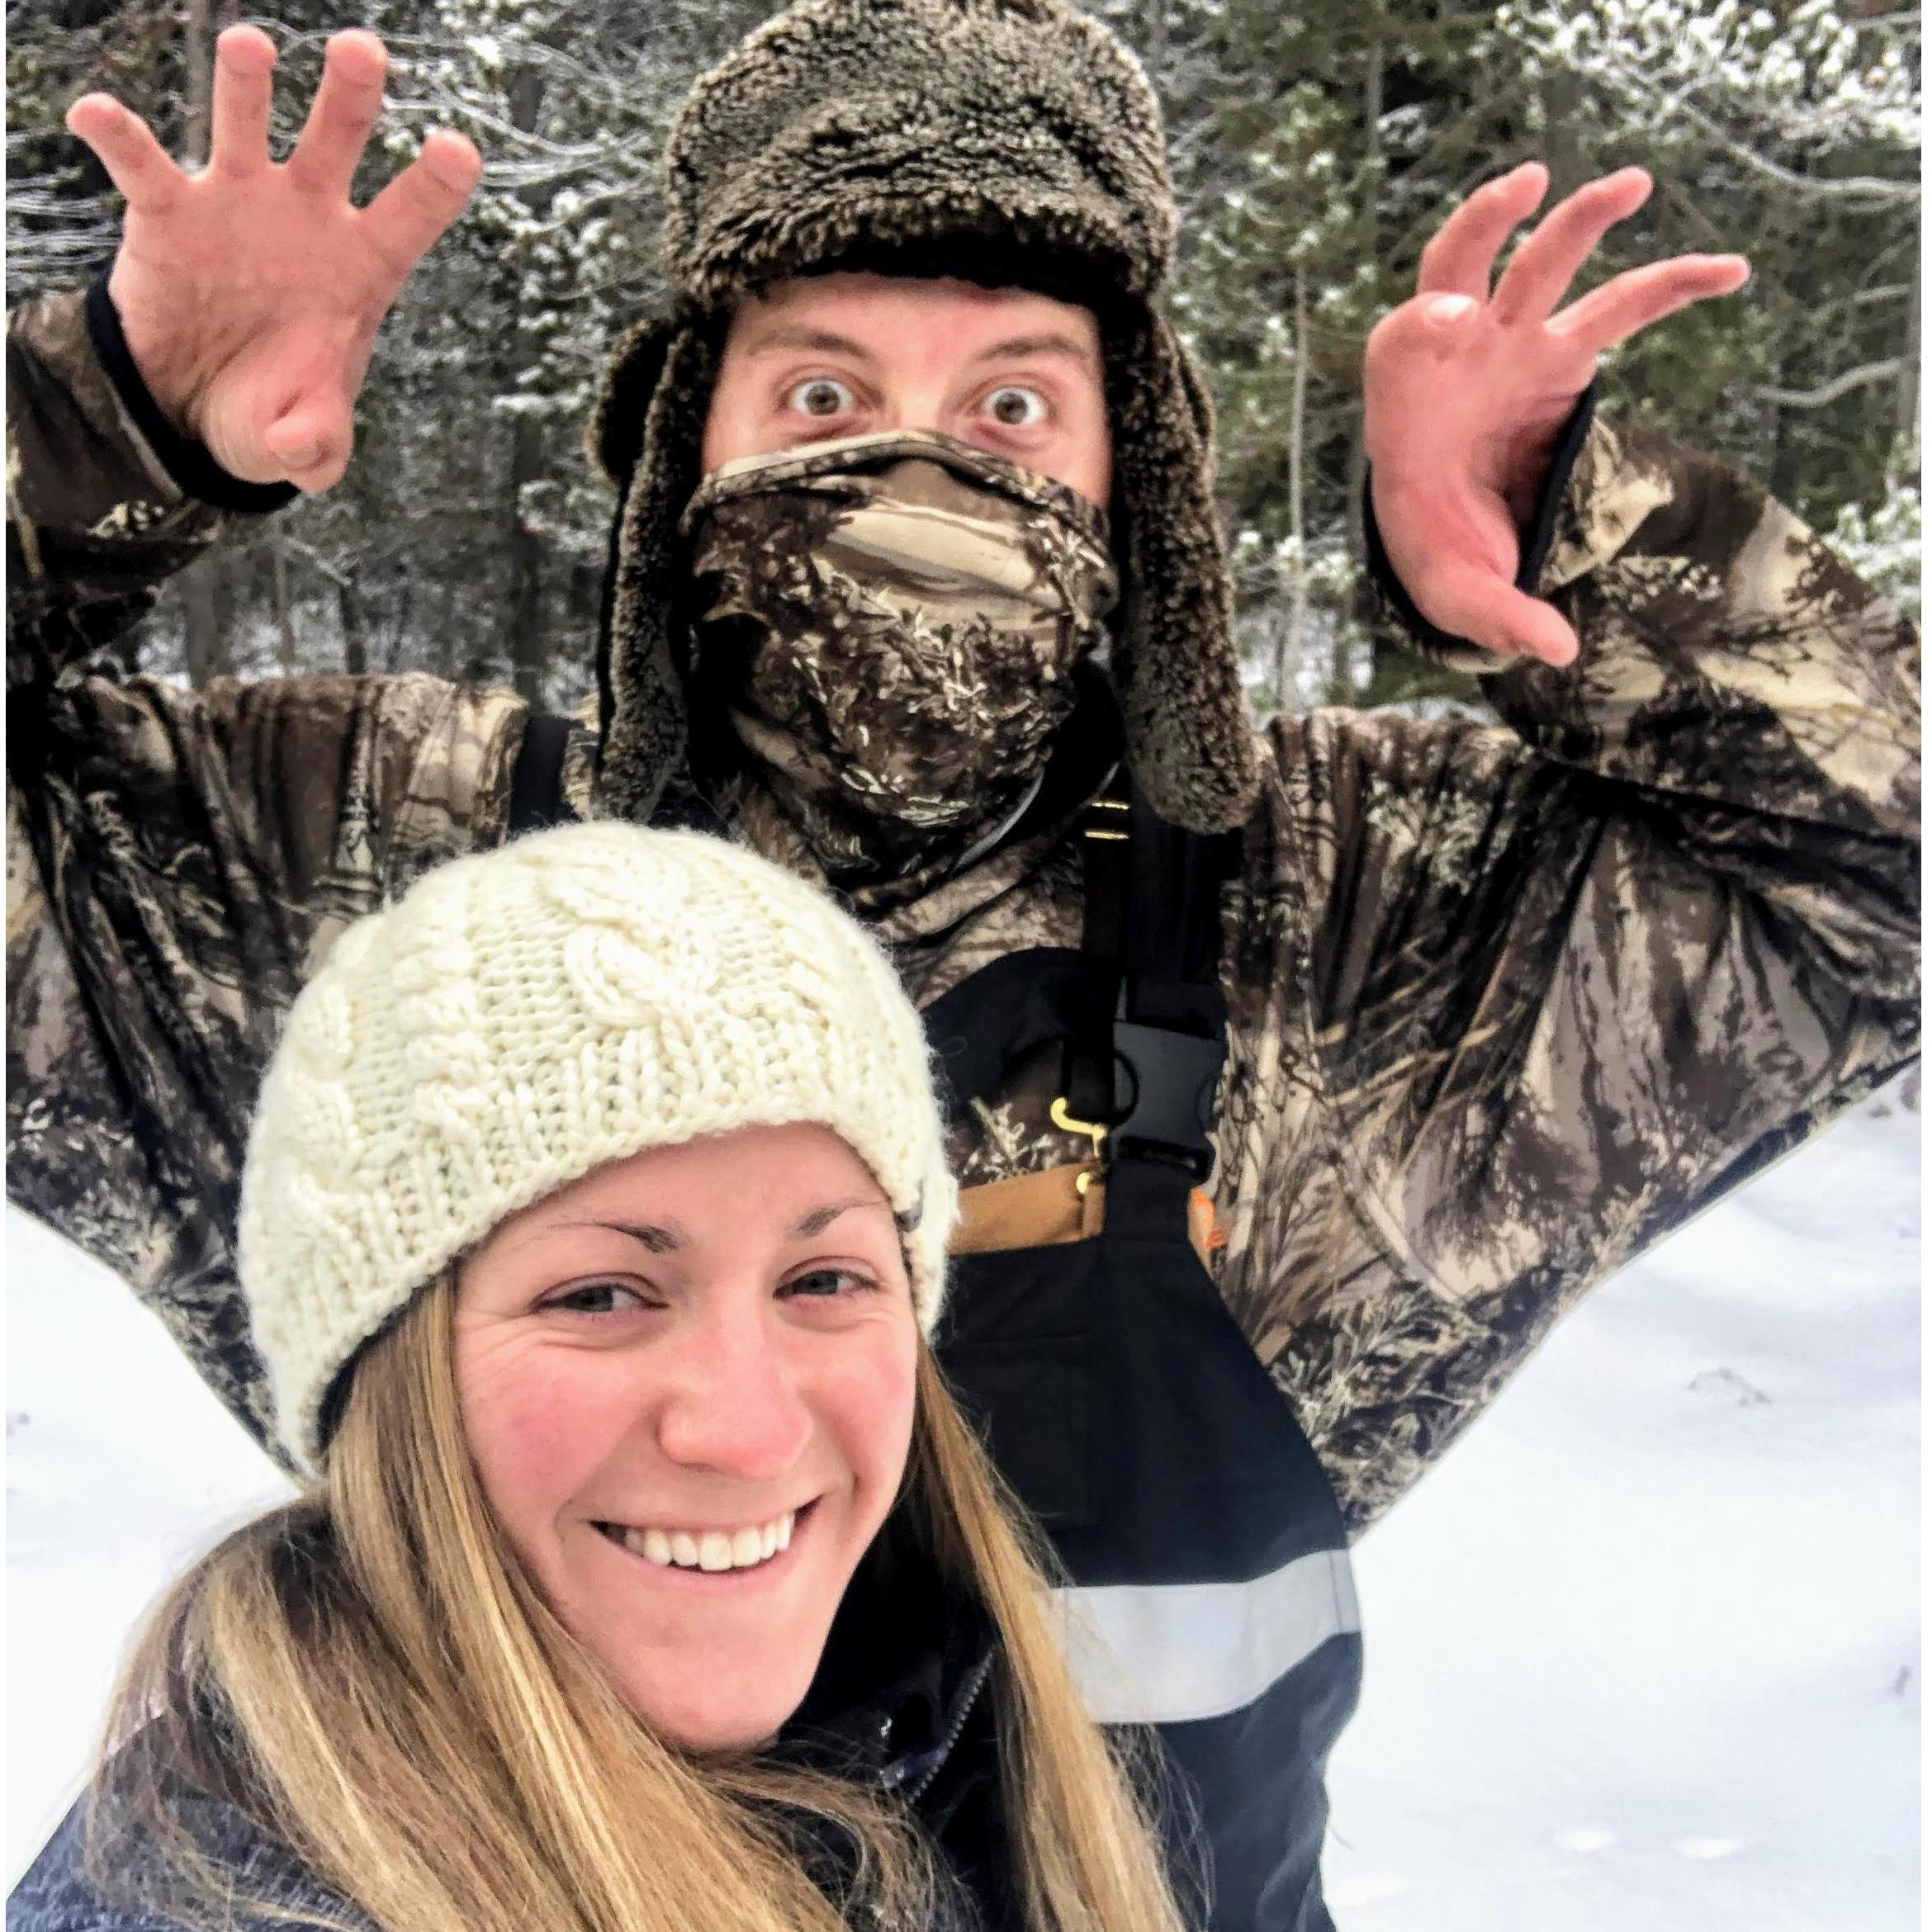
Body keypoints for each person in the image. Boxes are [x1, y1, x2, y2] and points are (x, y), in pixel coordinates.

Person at [6, 1, 1918, 1925]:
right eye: (821, 399)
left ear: (1133, 488)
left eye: (1012, 405)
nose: (917, 473)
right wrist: (108, 434)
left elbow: (1880, 879)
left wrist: (1577, 534)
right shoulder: (368, 880)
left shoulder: (1347, 928)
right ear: (687, 464)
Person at [7, 821, 1193, 1932]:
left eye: (824, 1280)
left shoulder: (950, 1746)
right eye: (599, 1297)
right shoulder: (231, 1896)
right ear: (389, 1376)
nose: (747, 1433)